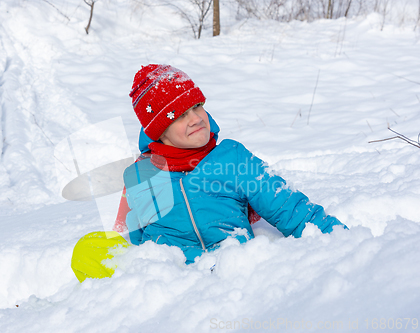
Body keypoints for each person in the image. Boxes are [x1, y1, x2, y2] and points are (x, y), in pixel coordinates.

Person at [71, 64, 346, 281]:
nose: (195, 119)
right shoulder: (144, 174)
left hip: (230, 269)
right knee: (90, 247)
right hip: (168, 277)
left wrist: (338, 239)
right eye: (179, 116)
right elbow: (136, 237)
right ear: (159, 132)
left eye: (197, 106)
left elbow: (288, 207)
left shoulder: (232, 158)